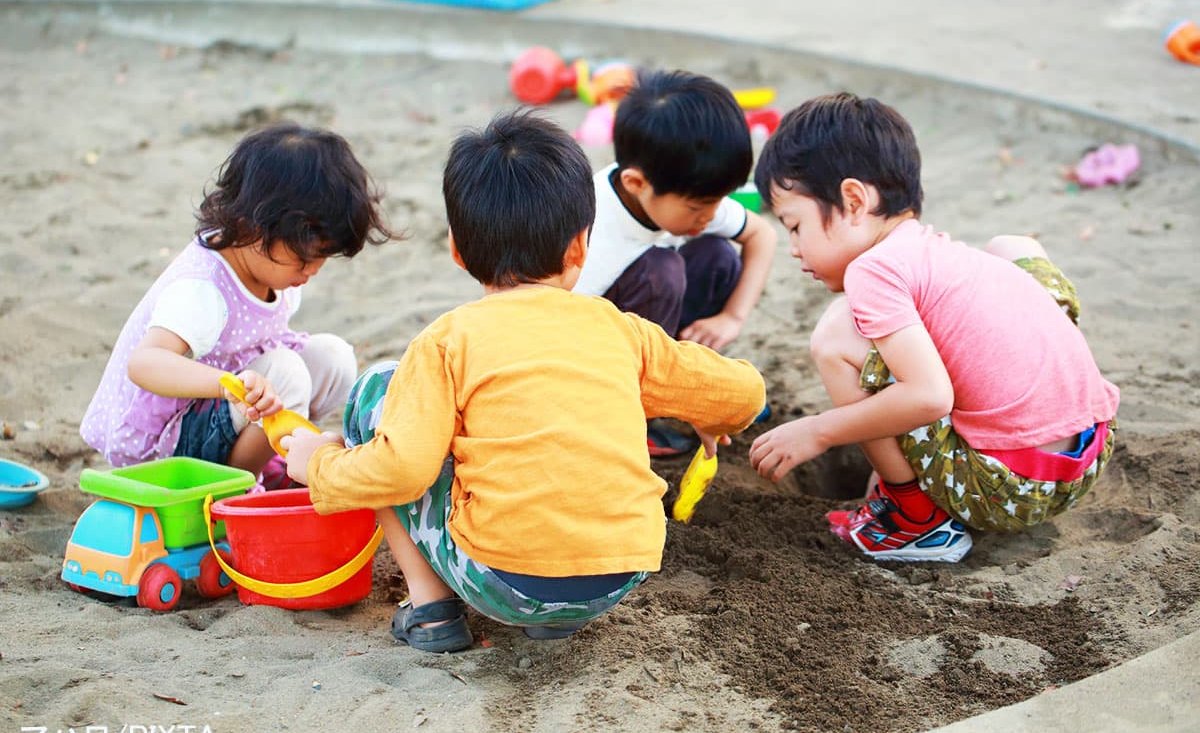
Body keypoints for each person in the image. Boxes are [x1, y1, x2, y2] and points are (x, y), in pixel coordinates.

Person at [282, 110, 766, 653]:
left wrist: (317, 467)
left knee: (377, 391)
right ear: (581, 245)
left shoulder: (446, 342)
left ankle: (431, 610)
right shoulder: (620, 330)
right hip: (620, 572)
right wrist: (715, 418)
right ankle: (557, 619)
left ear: (457, 250)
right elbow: (743, 393)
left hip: (501, 581)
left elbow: (402, 470)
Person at [747, 93, 1120, 563]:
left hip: (1009, 486)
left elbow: (929, 398)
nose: (795, 248)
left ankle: (917, 521)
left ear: (854, 200)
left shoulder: (873, 270)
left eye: (795, 226)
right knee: (1012, 246)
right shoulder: (933, 253)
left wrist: (819, 431)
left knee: (836, 336)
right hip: (1089, 450)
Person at [80, 122, 392, 486]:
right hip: (165, 441)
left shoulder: (274, 271)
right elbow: (145, 363)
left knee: (334, 359)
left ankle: (274, 457)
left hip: (225, 412)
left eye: (323, 258)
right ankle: (241, 482)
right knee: (287, 373)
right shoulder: (202, 290)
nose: (313, 271)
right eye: (305, 259)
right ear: (250, 228)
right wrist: (227, 384)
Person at [572, 69, 777, 456]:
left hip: (654, 330)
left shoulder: (685, 191)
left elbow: (762, 235)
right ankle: (641, 419)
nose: (711, 214)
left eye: (718, 201)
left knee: (716, 255)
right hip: (602, 355)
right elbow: (553, 331)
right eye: (700, 206)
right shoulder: (593, 234)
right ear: (637, 184)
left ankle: (690, 379)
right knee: (660, 273)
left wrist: (731, 317)